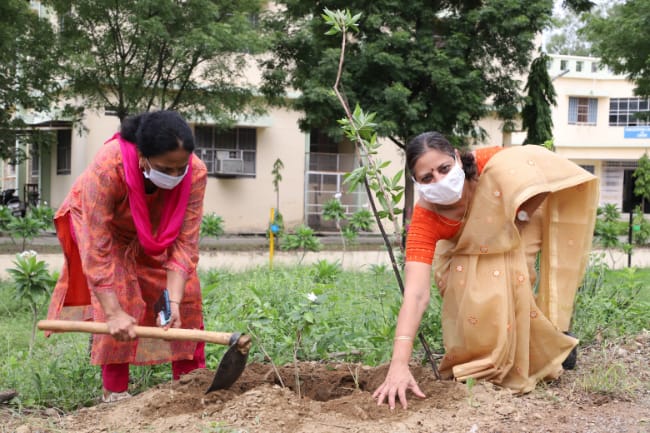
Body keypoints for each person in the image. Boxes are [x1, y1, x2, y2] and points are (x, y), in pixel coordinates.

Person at [373, 131, 599, 410]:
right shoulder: (426, 218)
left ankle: (550, 342)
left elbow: (538, 169)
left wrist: (520, 217)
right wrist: (398, 364)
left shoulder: (489, 163)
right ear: (416, 182)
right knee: (462, 282)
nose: (440, 180)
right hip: (466, 247)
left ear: (457, 157)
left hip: (517, 220)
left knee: (512, 279)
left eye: (444, 168)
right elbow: (416, 294)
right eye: (427, 178)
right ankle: (499, 356)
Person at [45, 110, 208, 403]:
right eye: (165, 168)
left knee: (187, 296)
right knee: (122, 295)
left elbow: (185, 245)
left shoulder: (195, 173)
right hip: (104, 227)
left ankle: (191, 383)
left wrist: (172, 302)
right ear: (143, 157)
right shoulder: (108, 167)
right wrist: (113, 312)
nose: (174, 176)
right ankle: (115, 393)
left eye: (179, 168)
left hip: (157, 227)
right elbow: (98, 248)